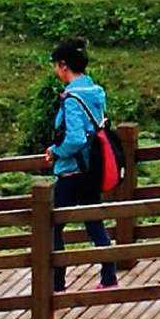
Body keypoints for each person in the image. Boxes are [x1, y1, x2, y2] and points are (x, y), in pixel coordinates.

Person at [49, 37, 118, 292]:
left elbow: (76, 138)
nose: (55, 70)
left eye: (56, 65)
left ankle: (57, 282)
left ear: (64, 66)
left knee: (52, 224)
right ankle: (109, 277)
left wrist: (56, 151)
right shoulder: (95, 91)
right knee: (94, 222)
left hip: (71, 171)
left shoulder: (72, 98)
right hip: (93, 168)